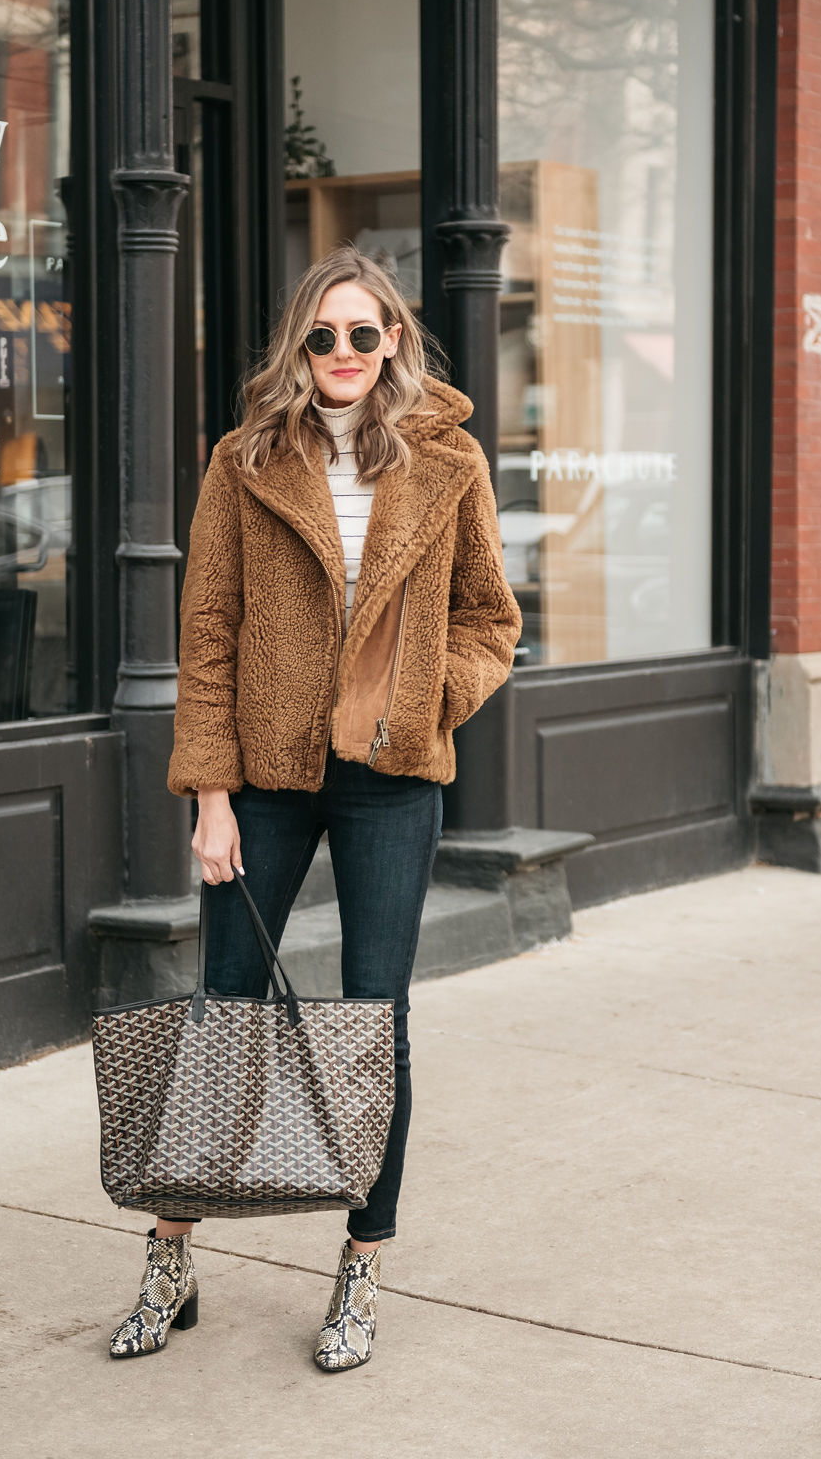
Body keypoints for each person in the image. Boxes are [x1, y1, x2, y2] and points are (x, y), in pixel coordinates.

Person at [108, 245, 521, 1371]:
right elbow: (209, 634)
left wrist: (427, 700)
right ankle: (170, 1257)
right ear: (300, 346)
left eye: (364, 334)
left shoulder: (450, 461)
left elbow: (493, 617)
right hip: (269, 775)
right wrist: (210, 791)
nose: (343, 354)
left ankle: (360, 1267)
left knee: (373, 1025)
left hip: (392, 777)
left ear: (394, 338)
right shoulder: (244, 461)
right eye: (322, 337)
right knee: (223, 1011)